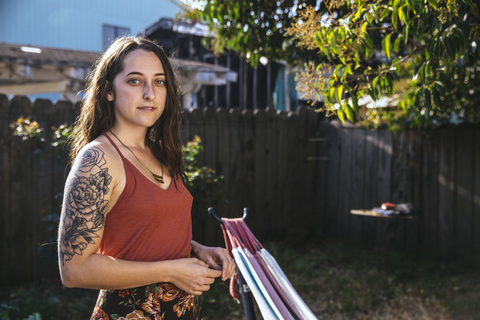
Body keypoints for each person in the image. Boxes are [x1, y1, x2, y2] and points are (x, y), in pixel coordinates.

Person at [57, 36, 235, 320]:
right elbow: (74, 270)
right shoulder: (98, 159)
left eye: (159, 81)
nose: (150, 93)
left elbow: (144, 233)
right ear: (108, 90)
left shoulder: (161, 152)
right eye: (135, 81)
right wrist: (172, 269)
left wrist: (196, 250)